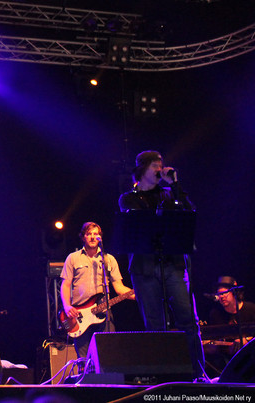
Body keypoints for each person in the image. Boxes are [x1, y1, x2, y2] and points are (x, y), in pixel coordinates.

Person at [118, 150, 205, 377]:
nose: (160, 169)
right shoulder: (128, 198)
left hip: (172, 264)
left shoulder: (169, 194)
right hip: (145, 268)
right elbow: (142, 226)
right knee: (155, 323)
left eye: (161, 165)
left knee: (187, 319)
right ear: (143, 169)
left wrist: (175, 185)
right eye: (155, 165)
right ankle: (164, 375)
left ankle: (198, 373)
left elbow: (188, 212)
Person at [60, 222, 134, 358]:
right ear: (83, 237)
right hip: (80, 315)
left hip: (104, 313)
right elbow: (65, 285)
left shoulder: (108, 259)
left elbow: (119, 288)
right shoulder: (73, 258)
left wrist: (137, 294)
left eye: (96, 234)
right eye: (89, 234)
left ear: (100, 237)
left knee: (109, 354)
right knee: (84, 357)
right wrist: (67, 305)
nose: (93, 237)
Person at [204, 276, 255, 375]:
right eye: (219, 294)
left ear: (234, 293)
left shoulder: (251, 309)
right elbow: (215, 339)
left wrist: (247, 341)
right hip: (225, 360)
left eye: (224, 293)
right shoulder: (215, 314)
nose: (221, 297)